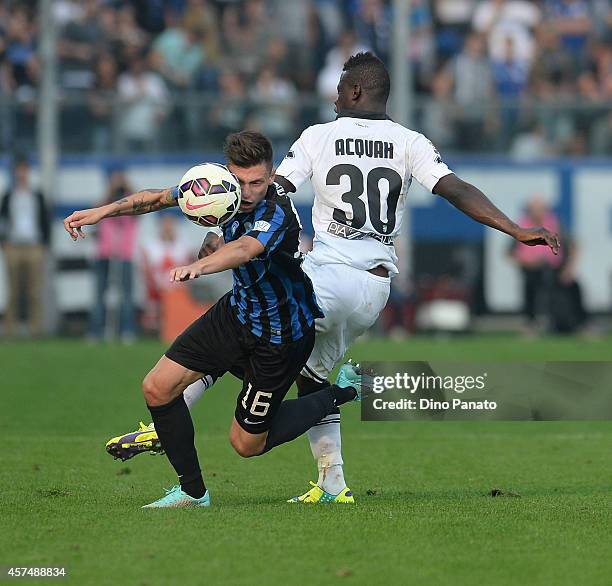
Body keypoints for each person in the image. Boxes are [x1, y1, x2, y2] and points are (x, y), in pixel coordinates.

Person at [105, 52, 560, 505]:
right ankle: (332, 481)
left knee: (252, 316)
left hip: (326, 274)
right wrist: (516, 229)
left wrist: (220, 242)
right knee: (311, 375)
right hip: (373, 289)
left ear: (356, 91)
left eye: (341, 88)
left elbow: (269, 193)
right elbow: (456, 189)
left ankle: (167, 419)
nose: (334, 96)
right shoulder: (411, 141)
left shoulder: (320, 137)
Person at [63, 131, 364, 508]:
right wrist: (101, 213)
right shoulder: (218, 186)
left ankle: (344, 392)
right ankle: (192, 493)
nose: (248, 191)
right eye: (241, 181)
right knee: (157, 387)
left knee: (246, 444)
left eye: (258, 182)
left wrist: (200, 265)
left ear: (271, 176)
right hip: (237, 314)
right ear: (227, 172)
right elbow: (157, 198)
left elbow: (245, 248)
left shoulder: (278, 212)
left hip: (281, 335)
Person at [0, 156, 50, 337]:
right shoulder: (8, 196)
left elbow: (45, 220)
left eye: (24, 170)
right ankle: (10, 331)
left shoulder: (36, 195)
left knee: (33, 291)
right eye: (18, 170)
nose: (21, 174)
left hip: (33, 246)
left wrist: (44, 244)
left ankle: (35, 330)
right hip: (13, 246)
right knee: (13, 291)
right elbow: (3, 221)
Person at [89, 168, 138, 342]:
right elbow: (95, 209)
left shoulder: (131, 208)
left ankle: (127, 330)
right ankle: (96, 332)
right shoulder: (105, 205)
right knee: (98, 296)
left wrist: (126, 186)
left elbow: (140, 204)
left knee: (126, 296)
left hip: (124, 255)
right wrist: (111, 189)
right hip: (105, 254)